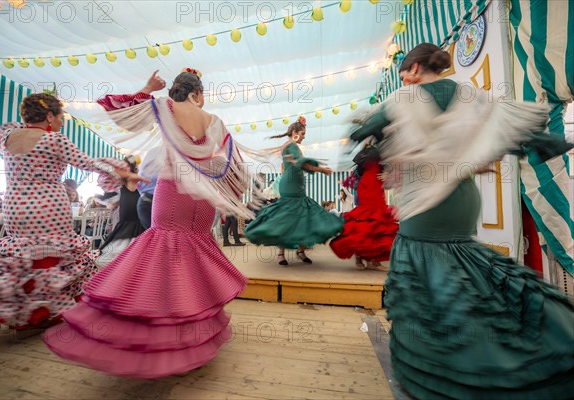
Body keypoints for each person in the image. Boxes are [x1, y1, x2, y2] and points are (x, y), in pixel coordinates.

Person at [349, 43, 574, 399]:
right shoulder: (475, 97)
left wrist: (365, 135)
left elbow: (366, 128)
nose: (404, 78)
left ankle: (457, 368)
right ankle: (536, 342)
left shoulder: (402, 100)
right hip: (463, 199)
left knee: (429, 280)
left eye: (406, 71)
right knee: (469, 271)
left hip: (425, 206)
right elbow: (521, 136)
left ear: (417, 68)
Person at [44, 69, 261, 378]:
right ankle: (191, 342)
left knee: (164, 262)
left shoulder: (165, 108)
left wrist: (148, 87)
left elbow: (119, 110)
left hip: (173, 194)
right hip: (202, 202)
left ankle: (161, 340)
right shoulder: (213, 121)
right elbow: (234, 169)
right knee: (193, 267)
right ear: (198, 94)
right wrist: (229, 197)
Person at [0, 93, 145, 330]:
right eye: (61, 116)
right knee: (51, 256)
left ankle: (6, 308)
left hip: (14, 206)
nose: (62, 122)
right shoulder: (55, 140)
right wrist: (124, 172)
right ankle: (44, 310)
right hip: (47, 205)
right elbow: (89, 162)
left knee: (22, 255)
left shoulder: (8, 137)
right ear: (49, 116)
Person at [244, 116, 344, 265]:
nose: (304, 137)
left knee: (302, 216)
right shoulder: (291, 146)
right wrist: (322, 170)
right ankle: (282, 254)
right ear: (295, 132)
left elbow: (293, 165)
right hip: (290, 186)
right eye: (302, 134)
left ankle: (300, 251)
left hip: (295, 185)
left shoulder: (291, 146)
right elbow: (302, 165)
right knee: (288, 217)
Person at [330, 142, 398, 270]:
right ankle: (360, 256)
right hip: (367, 185)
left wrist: (387, 175)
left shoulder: (383, 150)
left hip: (378, 186)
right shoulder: (367, 153)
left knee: (377, 223)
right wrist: (367, 145)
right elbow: (357, 164)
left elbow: (391, 165)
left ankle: (373, 259)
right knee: (367, 220)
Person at [96, 155, 146, 267]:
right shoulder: (142, 188)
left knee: (116, 260)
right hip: (138, 230)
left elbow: (111, 205)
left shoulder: (121, 189)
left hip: (128, 231)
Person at [136, 147, 160, 230]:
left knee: (155, 235)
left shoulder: (145, 170)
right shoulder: (159, 169)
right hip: (151, 201)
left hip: (146, 200)